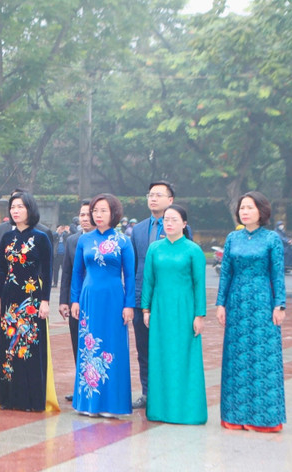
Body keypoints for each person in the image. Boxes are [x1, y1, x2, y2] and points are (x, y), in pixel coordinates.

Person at [216, 191, 286, 432]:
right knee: (236, 358)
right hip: (236, 303)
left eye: (250, 207)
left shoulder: (271, 239)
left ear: (261, 211)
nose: (244, 212)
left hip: (262, 303)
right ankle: (235, 416)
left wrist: (279, 305)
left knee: (263, 358)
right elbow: (226, 273)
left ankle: (265, 419)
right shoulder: (232, 238)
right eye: (242, 208)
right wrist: (221, 303)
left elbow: (277, 274)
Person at [141, 204, 207, 425]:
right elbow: (148, 280)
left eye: (174, 220)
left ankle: (188, 412)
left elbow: (199, 284)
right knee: (160, 356)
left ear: (184, 224)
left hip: (185, 310)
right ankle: (160, 410)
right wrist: (146, 309)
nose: (168, 223)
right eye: (166, 220)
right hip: (160, 310)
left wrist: (199, 315)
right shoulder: (154, 249)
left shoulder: (193, 250)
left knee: (184, 357)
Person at [70, 193, 135, 418]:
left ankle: (111, 404)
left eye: (103, 211)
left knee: (113, 346)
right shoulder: (84, 240)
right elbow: (77, 273)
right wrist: (74, 300)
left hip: (114, 298)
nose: (98, 215)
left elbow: (130, 275)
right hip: (89, 299)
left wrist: (129, 305)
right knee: (88, 348)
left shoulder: (123, 241)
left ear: (113, 213)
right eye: (95, 211)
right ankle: (89, 403)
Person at [0, 192, 57, 411]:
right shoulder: (6, 238)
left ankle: (31, 400)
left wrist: (45, 301)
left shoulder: (41, 238)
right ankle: (9, 398)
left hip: (31, 299)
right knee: (8, 348)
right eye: (13, 207)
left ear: (30, 209)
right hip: (9, 299)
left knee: (29, 346)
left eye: (20, 206)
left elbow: (47, 272)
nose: (15, 211)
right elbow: (1, 270)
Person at [129, 180, 185, 409]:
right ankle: (147, 393)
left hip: (168, 298)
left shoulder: (178, 227)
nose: (153, 198)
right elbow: (133, 266)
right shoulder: (138, 229)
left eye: (158, 195)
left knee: (168, 346)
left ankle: (169, 394)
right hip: (141, 296)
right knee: (143, 348)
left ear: (170, 200)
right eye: (150, 194)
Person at [58, 200, 92, 401]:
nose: (85, 218)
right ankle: (81, 384)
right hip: (76, 301)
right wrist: (64, 301)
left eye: (88, 214)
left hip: (97, 298)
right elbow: (67, 273)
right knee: (77, 343)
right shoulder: (72, 240)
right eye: (82, 215)